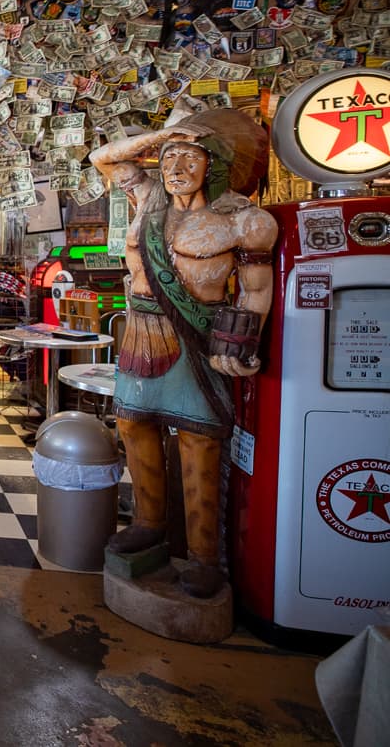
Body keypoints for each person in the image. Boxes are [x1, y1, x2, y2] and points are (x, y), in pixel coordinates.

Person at [90, 109, 276, 599]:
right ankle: (149, 523)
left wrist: (239, 342)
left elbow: (255, 291)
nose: (175, 166)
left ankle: (202, 556)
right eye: (169, 156)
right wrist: (161, 135)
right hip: (141, 329)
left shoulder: (243, 219)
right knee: (134, 423)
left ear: (212, 166)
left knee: (199, 439)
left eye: (188, 157)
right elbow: (102, 157)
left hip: (198, 334)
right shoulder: (148, 198)